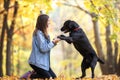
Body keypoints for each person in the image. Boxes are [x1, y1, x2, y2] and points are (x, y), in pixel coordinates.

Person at [28, 14, 60, 79]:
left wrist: (53, 42)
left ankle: (35, 73)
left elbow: (46, 47)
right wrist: (53, 42)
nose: (49, 22)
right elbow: (43, 48)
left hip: (43, 63)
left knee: (54, 77)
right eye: (48, 21)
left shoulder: (43, 33)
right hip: (36, 62)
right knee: (49, 77)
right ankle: (31, 76)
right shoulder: (38, 33)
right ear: (43, 22)